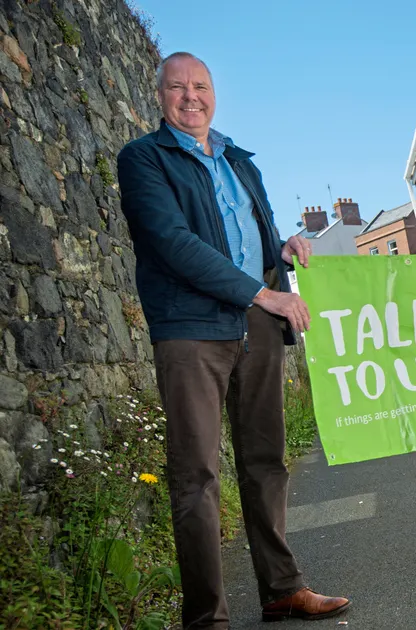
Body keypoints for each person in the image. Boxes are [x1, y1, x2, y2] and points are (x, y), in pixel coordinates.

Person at [117, 52, 350, 627]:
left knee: (266, 459)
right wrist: (262, 294)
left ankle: (282, 589)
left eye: (200, 86)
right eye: (178, 87)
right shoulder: (144, 159)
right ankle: (207, 619)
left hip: (258, 328)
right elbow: (173, 243)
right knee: (197, 474)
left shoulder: (241, 161)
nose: (190, 96)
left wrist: (284, 249)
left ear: (214, 93)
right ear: (160, 95)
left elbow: (251, 237)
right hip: (191, 329)